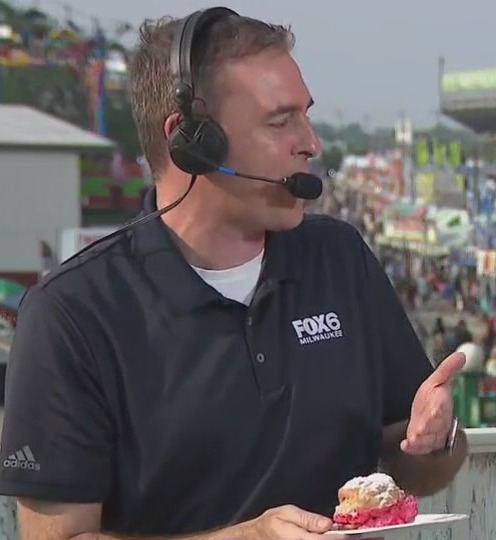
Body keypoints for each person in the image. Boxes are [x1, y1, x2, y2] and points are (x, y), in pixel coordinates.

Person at [0, 8, 467, 540]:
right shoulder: (71, 314)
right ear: (191, 143)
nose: (310, 142)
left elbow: (418, 471)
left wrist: (439, 439)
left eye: (305, 115)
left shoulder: (341, 259)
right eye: (280, 120)